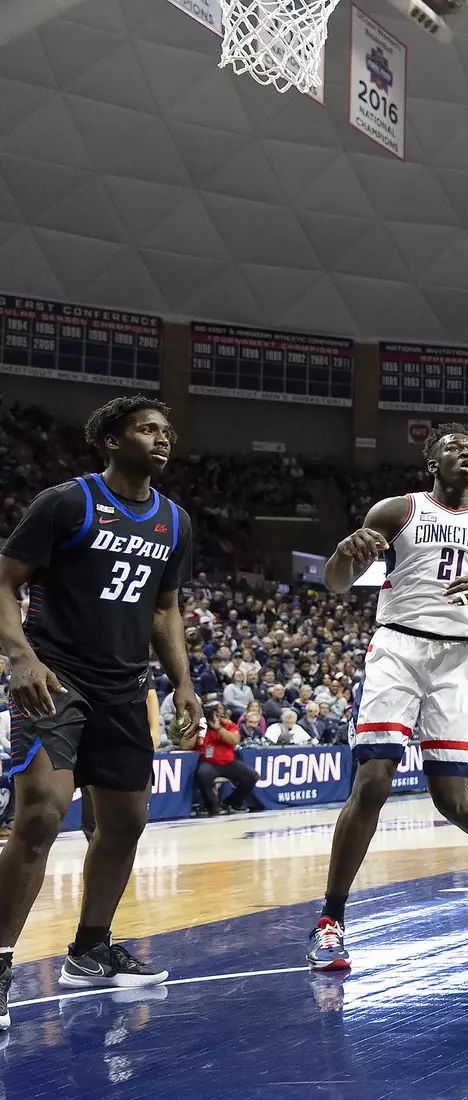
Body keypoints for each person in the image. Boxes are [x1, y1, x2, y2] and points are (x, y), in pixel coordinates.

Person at [306, 422, 468, 971]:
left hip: (460, 658)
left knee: (451, 799)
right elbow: (337, 582)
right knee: (372, 784)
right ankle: (330, 921)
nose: (467, 454)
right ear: (431, 462)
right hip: (398, 649)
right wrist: (344, 555)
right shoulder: (398, 511)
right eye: (455, 448)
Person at [0, 396, 199, 1029]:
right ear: (111, 441)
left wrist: (183, 685)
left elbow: (166, 611)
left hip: (123, 688)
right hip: (56, 679)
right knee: (39, 817)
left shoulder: (175, 521)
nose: (162, 440)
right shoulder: (65, 502)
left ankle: (90, 950)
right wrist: (21, 658)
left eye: (167, 432)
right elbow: (5, 581)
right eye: (147, 429)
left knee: (126, 823)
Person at [182, 701, 262, 815]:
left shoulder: (228, 725)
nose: (219, 716)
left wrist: (218, 728)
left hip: (228, 762)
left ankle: (233, 802)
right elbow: (185, 746)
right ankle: (213, 806)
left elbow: (234, 740)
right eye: (216, 713)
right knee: (203, 774)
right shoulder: (197, 726)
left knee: (252, 775)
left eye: (220, 713)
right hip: (207, 762)